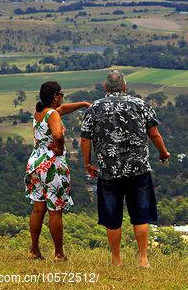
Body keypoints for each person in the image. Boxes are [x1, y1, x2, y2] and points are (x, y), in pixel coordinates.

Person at [79, 69, 170, 268]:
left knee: (112, 217)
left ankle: (116, 260)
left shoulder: (94, 108)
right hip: (138, 170)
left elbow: (85, 139)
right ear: (125, 87)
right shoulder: (140, 104)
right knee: (140, 214)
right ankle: (143, 260)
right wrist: (163, 153)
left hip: (108, 171)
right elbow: (154, 133)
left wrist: (88, 164)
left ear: (105, 87)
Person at [25, 81, 90, 261]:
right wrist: (60, 148)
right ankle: (59, 254)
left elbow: (62, 109)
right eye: (61, 94)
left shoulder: (40, 113)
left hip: (35, 164)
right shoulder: (52, 114)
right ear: (55, 96)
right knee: (55, 211)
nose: (63, 97)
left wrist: (83, 104)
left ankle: (34, 250)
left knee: (38, 209)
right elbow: (58, 134)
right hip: (51, 165)